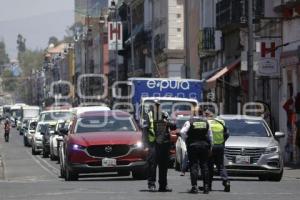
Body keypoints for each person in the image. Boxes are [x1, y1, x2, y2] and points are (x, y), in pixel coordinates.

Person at [143, 101, 175, 192]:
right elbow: (145, 130)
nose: (157, 108)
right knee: (152, 165)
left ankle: (163, 186)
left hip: (165, 144)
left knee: (164, 166)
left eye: (158, 106)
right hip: (153, 144)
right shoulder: (148, 116)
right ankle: (151, 184)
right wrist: (145, 145)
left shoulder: (164, 114)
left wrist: (167, 122)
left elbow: (173, 126)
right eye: (155, 106)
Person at [180, 109, 213, 194]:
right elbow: (210, 136)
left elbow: (182, 132)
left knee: (193, 166)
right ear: (202, 114)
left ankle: (194, 187)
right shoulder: (206, 122)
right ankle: (206, 187)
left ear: (194, 114)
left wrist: (186, 139)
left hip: (193, 146)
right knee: (204, 166)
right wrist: (210, 147)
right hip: (204, 146)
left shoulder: (189, 122)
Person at [206, 112, 230, 192]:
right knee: (220, 166)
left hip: (211, 147)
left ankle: (208, 186)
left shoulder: (207, 122)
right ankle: (226, 181)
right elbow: (227, 134)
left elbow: (206, 135)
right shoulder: (221, 122)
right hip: (220, 146)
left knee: (209, 167)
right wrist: (222, 142)